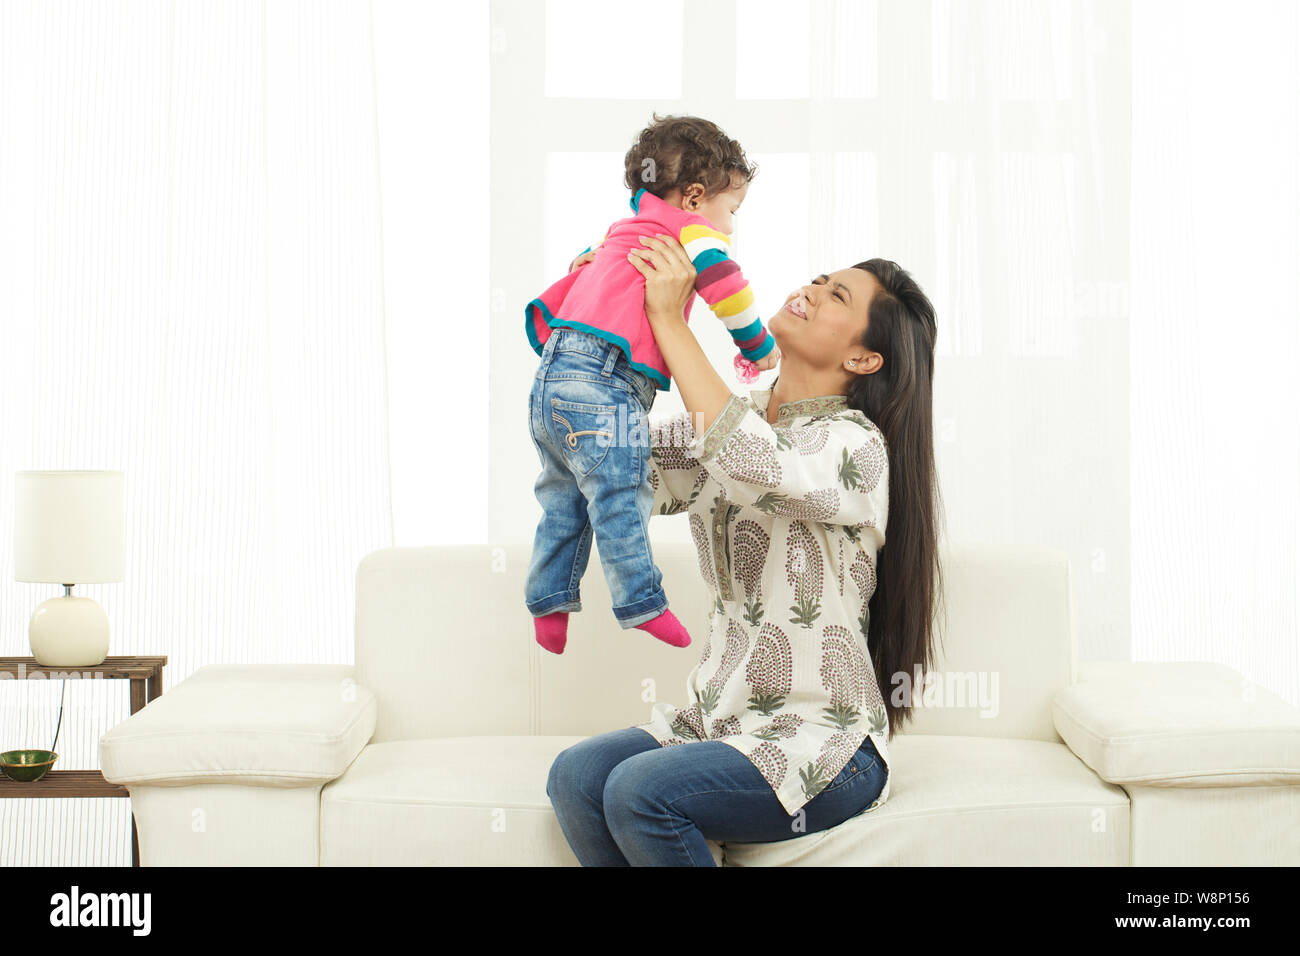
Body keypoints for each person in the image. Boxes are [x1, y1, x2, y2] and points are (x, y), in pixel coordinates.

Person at [545, 233, 945, 866]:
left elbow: (752, 462)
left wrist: (670, 320)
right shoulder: (735, 418)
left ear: (866, 360)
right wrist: (594, 322)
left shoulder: (854, 446)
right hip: (720, 721)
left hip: (826, 745)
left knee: (641, 791)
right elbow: (605, 459)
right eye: (819, 278)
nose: (811, 290)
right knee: (576, 776)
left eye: (836, 294)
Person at [525, 115, 779, 655]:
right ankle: (642, 602)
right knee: (620, 491)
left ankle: (549, 603)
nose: (729, 228)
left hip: (553, 376)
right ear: (694, 198)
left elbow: (583, 268)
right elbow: (726, 289)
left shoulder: (625, 229)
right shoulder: (691, 234)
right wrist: (758, 348)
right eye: (731, 211)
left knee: (562, 498)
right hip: (604, 383)